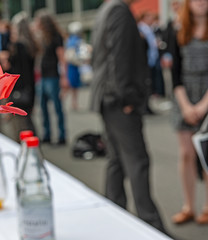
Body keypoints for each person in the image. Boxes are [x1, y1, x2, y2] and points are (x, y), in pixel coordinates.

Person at [89, 0, 165, 232]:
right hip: (118, 99)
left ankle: (113, 216)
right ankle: (151, 226)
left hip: (108, 96)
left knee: (117, 160)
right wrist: (127, 98)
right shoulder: (119, 11)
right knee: (137, 160)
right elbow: (119, 58)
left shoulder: (107, 9)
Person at [171, 0, 208, 225]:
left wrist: (203, 106)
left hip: (206, 99)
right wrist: (185, 106)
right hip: (184, 98)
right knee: (186, 154)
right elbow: (175, 74)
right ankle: (188, 206)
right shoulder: (177, 30)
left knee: (207, 157)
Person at [0, 11, 38, 142]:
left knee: (19, 126)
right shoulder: (31, 44)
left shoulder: (18, 46)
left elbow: (12, 69)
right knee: (28, 121)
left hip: (17, 88)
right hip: (29, 87)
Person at [34, 10, 67, 145]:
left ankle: (61, 135)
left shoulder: (55, 36)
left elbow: (62, 58)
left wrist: (64, 77)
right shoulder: (42, 37)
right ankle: (47, 134)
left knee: (57, 107)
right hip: (43, 76)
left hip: (53, 76)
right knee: (43, 108)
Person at [65, 21, 83, 111]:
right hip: (72, 66)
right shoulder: (74, 41)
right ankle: (72, 103)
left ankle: (74, 103)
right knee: (70, 86)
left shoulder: (71, 40)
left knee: (74, 87)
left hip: (74, 67)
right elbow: (71, 56)